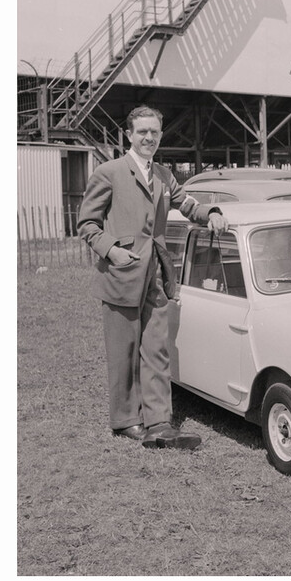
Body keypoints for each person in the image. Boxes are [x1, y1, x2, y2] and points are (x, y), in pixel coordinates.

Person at [77, 105, 228, 449]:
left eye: (154, 132)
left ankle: (159, 421)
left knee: (157, 348)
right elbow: (87, 223)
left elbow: (187, 204)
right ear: (129, 135)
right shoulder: (109, 172)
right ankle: (126, 420)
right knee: (124, 351)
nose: (149, 138)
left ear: (160, 135)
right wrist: (111, 250)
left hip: (156, 275)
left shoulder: (163, 174)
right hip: (121, 273)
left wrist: (212, 213)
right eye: (142, 132)